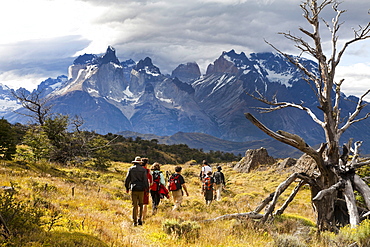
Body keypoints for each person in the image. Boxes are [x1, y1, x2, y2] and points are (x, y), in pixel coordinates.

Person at [124, 156, 149, 226]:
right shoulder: (143, 170)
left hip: (134, 189)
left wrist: (127, 188)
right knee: (141, 204)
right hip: (141, 189)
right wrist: (147, 189)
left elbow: (127, 179)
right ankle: (140, 219)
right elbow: (145, 180)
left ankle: (134, 221)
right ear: (140, 162)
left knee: (134, 205)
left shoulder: (131, 169)